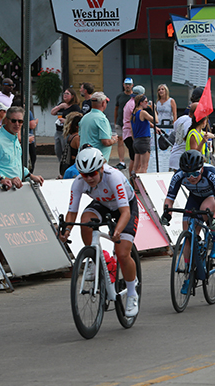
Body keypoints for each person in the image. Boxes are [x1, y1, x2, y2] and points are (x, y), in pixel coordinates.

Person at [60, 147, 139, 317]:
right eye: (84, 174)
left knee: (122, 254)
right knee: (85, 221)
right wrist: (66, 230)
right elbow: (72, 212)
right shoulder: (79, 182)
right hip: (103, 205)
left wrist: (117, 231)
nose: (89, 178)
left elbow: (125, 212)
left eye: (93, 173)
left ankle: (132, 293)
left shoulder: (113, 177)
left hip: (125, 207)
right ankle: (95, 259)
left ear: (101, 168)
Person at [161, 150, 215, 271]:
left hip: (214, 195)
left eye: (195, 174)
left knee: (205, 209)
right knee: (188, 234)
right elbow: (169, 200)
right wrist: (167, 214)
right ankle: (188, 270)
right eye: (188, 174)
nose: (191, 177)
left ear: (201, 169)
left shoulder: (211, 173)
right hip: (195, 196)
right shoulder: (178, 175)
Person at [0, 106, 44, 188]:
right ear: (6, 120)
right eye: (13, 121)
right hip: (1, 189)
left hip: (15, 188)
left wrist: (30, 176)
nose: (17, 124)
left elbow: (16, 164)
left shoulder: (14, 137)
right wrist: (6, 179)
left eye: (20, 121)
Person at [79, 91, 118, 164]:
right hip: (97, 161)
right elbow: (106, 142)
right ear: (103, 103)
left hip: (83, 158)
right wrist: (114, 139)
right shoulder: (102, 119)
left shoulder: (85, 117)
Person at [51, 87, 81, 176]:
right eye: (64, 93)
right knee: (58, 150)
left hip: (66, 132)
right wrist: (59, 107)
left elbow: (77, 119)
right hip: (58, 131)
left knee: (66, 151)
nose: (65, 95)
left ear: (72, 96)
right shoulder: (62, 105)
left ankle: (67, 170)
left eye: (67, 94)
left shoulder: (74, 107)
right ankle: (62, 169)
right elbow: (52, 112)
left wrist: (66, 121)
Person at [131, 93, 161, 176]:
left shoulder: (134, 113)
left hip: (136, 141)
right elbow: (156, 120)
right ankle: (142, 183)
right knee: (144, 167)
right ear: (141, 103)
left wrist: (154, 127)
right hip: (144, 140)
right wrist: (153, 109)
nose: (147, 103)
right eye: (146, 101)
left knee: (136, 167)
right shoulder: (143, 112)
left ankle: (134, 183)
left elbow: (143, 123)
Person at [122, 85, 145, 169]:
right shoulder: (133, 104)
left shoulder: (130, 102)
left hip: (127, 133)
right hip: (130, 134)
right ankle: (133, 176)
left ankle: (132, 176)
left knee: (133, 158)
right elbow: (137, 118)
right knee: (136, 159)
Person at [169, 103, 197, 171]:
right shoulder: (191, 124)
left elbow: (175, 129)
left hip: (175, 156)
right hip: (183, 159)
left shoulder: (182, 118)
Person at [114, 78, 134, 161]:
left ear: (132, 85)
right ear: (123, 85)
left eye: (129, 84)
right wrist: (115, 121)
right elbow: (116, 108)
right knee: (120, 140)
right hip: (120, 122)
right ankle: (121, 160)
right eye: (126, 84)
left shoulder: (134, 96)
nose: (127, 86)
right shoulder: (120, 96)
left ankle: (132, 158)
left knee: (130, 141)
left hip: (130, 124)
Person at [60, 111, 82, 178]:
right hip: (73, 167)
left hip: (67, 166)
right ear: (77, 126)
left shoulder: (71, 136)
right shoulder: (77, 138)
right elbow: (81, 152)